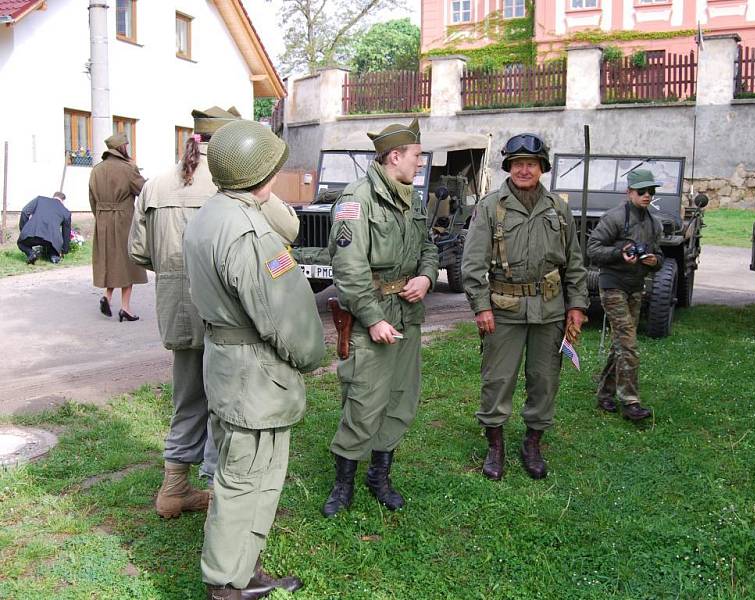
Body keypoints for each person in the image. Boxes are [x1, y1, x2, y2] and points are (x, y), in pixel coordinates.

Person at [183, 119, 325, 599]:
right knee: (247, 479)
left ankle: (243, 568)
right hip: (255, 374)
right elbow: (285, 313)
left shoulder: (210, 213)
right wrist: (310, 356)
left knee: (240, 470)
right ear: (263, 172)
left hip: (227, 363)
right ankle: (226, 582)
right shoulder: (251, 234)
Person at [321, 118, 439, 518]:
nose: (420, 163)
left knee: (400, 398)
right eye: (417, 156)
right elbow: (349, 268)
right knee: (364, 400)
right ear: (394, 157)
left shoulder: (412, 199)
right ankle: (343, 484)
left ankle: (379, 477)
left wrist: (425, 277)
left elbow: (429, 248)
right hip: (373, 315)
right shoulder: (357, 200)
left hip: (407, 314)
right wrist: (371, 319)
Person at [128, 106, 241, 519]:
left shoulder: (155, 185)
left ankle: (173, 490)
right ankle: (217, 491)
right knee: (223, 401)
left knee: (186, 398)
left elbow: (139, 252)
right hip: (224, 311)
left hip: (176, 310)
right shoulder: (236, 182)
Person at [461, 133, 589, 482]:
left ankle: (533, 442)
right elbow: (472, 265)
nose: (524, 170)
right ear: (509, 167)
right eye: (517, 164)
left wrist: (577, 304)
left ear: (542, 168)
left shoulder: (558, 209)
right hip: (503, 309)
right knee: (498, 379)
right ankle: (496, 445)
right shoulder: (490, 207)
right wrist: (481, 307)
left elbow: (574, 263)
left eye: (530, 164)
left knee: (544, 379)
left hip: (550, 309)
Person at [587, 168, 664, 422]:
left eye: (651, 191)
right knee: (629, 344)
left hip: (635, 286)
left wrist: (654, 261)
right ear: (629, 192)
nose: (647, 195)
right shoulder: (615, 218)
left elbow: (659, 255)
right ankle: (631, 402)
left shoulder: (654, 222)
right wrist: (620, 252)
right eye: (641, 191)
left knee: (620, 343)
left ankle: (604, 394)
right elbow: (593, 249)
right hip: (613, 285)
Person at [89, 132, 147, 322]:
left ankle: (107, 296)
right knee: (127, 262)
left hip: (103, 219)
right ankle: (125, 308)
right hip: (124, 219)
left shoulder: (96, 170)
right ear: (122, 148)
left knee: (110, 261)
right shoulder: (128, 169)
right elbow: (144, 190)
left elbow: (92, 199)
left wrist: (100, 216)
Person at [17, 191, 71, 264]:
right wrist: (64, 250)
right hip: (51, 240)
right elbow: (66, 232)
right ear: (63, 201)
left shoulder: (40, 199)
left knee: (21, 243)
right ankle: (54, 257)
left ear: (53, 196)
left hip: (33, 233)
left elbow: (24, 212)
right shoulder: (66, 211)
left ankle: (31, 254)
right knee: (53, 244)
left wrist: (24, 230)